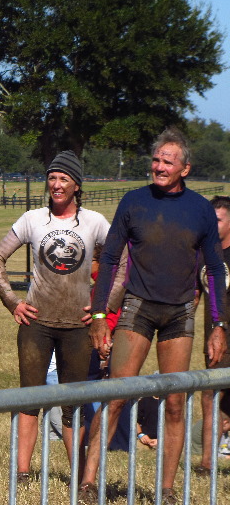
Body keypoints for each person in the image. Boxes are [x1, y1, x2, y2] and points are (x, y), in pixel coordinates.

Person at [82, 128, 229, 505]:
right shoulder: (133, 201)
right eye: (156, 159)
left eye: (168, 161)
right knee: (116, 394)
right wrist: (99, 314)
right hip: (138, 308)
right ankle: (88, 483)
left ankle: (166, 491)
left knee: (175, 403)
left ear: (185, 168)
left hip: (180, 314)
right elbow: (109, 259)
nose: (160, 166)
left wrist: (218, 325)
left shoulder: (200, 209)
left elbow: (215, 269)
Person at [0, 151, 113, 484]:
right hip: (36, 325)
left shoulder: (95, 222)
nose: (56, 185)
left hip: (78, 327)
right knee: (30, 399)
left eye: (64, 179)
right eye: (52, 178)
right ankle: (22, 473)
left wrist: (102, 307)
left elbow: (121, 262)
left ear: (76, 186)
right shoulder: (32, 219)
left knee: (73, 404)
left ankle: (80, 477)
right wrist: (12, 302)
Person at [194, 195, 230, 475]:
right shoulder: (205, 254)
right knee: (211, 394)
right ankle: (207, 463)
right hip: (215, 339)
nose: (210, 224)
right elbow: (194, 293)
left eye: (217, 220)